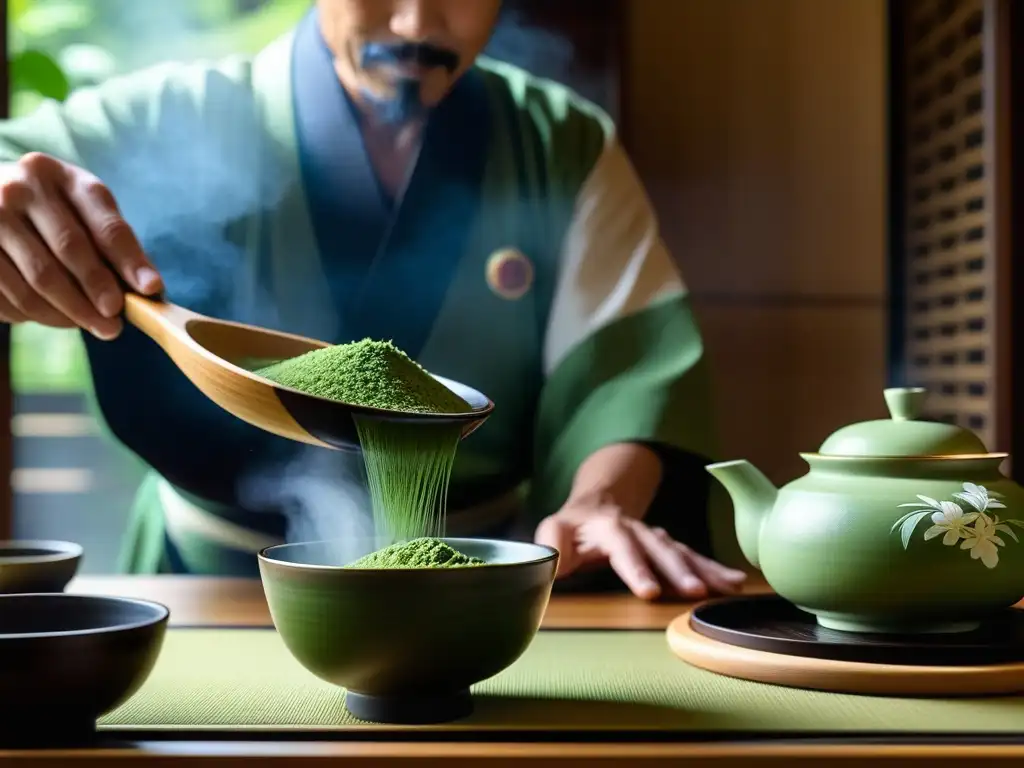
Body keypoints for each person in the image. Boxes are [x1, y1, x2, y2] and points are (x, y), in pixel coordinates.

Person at [0, 0, 747, 599]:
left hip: (467, 589)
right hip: (207, 589)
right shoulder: (173, 116)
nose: (417, 23)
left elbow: (627, 373)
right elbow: (16, 165)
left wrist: (601, 502)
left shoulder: (560, 144)